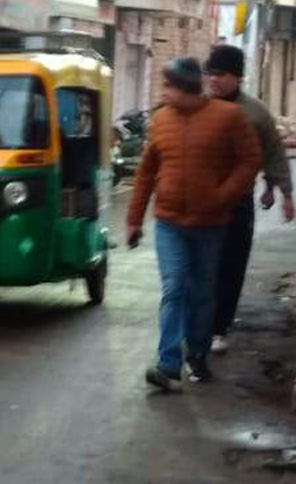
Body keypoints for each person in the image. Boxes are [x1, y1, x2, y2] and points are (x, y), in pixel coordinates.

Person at [126, 57, 262, 392]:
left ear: (184, 87)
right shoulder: (160, 120)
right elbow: (145, 173)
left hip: (210, 224)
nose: (164, 91)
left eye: (168, 85)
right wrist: (133, 220)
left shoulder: (227, 117)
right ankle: (168, 365)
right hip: (169, 223)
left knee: (202, 292)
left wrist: (223, 196)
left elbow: (250, 160)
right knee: (174, 288)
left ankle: (197, 353)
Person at [205, 45, 294, 354]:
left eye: (221, 74)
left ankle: (219, 328)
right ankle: (199, 324)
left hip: (239, 202)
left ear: (237, 77)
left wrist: (281, 191)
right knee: (203, 266)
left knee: (231, 266)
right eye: (211, 74)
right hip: (204, 203)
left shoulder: (255, 112)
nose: (214, 80)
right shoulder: (199, 107)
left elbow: (273, 153)